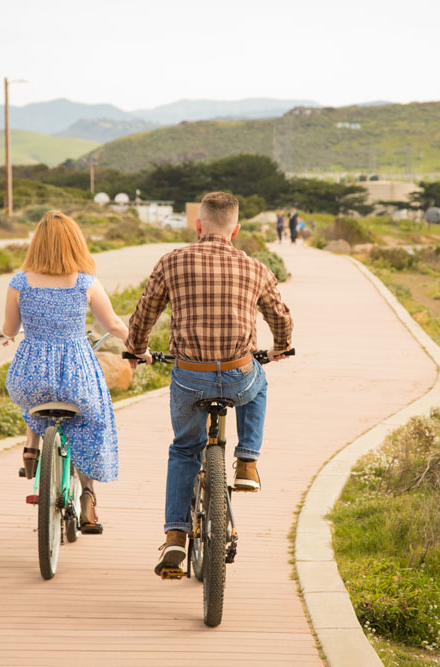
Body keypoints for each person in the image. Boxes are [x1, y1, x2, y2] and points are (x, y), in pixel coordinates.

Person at [125, 192, 293, 577]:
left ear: (198, 225)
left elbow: (144, 314)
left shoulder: (171, 261)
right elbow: (281, 318)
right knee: (259, 379)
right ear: (235, 229)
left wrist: (137, 350)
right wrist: (280, 347)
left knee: (185, 450)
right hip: (238, 374)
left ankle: (174, 537)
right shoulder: (256, 268)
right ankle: (247, 462)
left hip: (189, 377)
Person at [0, 210, 129, 534]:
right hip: (76, 375)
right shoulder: (85, 282)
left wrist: (4, 336)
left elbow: (9, 329)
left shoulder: (19, 282)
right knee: (92, 419)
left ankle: (32, 447)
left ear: (36, 244)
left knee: (36, 400)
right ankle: (88, 495)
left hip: (29, 376)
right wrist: (138, 342)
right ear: (75, 244)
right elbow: (112, 324)